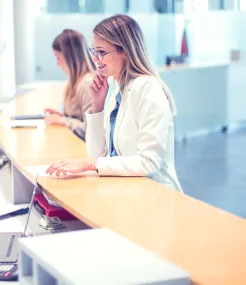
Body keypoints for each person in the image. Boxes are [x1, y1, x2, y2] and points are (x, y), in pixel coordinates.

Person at [46, 15, 182, 192]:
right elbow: (97, 155)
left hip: (153, 193)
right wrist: (97, 106)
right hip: (127, 189)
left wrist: (90, 164)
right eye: (94, 52)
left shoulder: (148, 89)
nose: (95, 60)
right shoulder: (117, 88)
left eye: (101, 52)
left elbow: (149, 162)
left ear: (125, 51)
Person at [44, 29, 96, 140]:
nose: (57, 64)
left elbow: (90, 130)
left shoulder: (87, 84)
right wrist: (63, 116)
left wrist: (63, 120)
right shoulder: (76, 81)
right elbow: (79, 119)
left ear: (70, 57)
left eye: (58, 58)